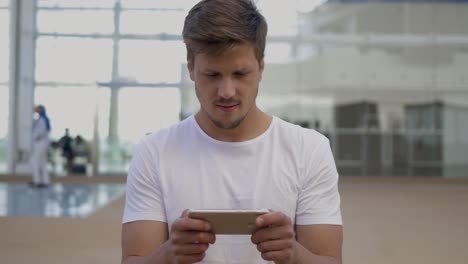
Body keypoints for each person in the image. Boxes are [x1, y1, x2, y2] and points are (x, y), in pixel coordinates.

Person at [121, 0, 343, 263]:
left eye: (240, 73)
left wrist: (294, 253)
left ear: (261, 67)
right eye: (212, 75)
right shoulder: (154, 151)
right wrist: (168, 254)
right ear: (191, 68)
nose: (226, 91)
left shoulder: (309, 149)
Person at [30, 104, 51, 188]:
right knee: (42, 162)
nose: (35, 110)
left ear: (41, 110)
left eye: (37, 109)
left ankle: (37, 181)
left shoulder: (42, 120)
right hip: (42, 143)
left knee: (34, 161)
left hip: (40, 143)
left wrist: (38, 138)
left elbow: (42, 131)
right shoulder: (40, 119)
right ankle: (45, 181)